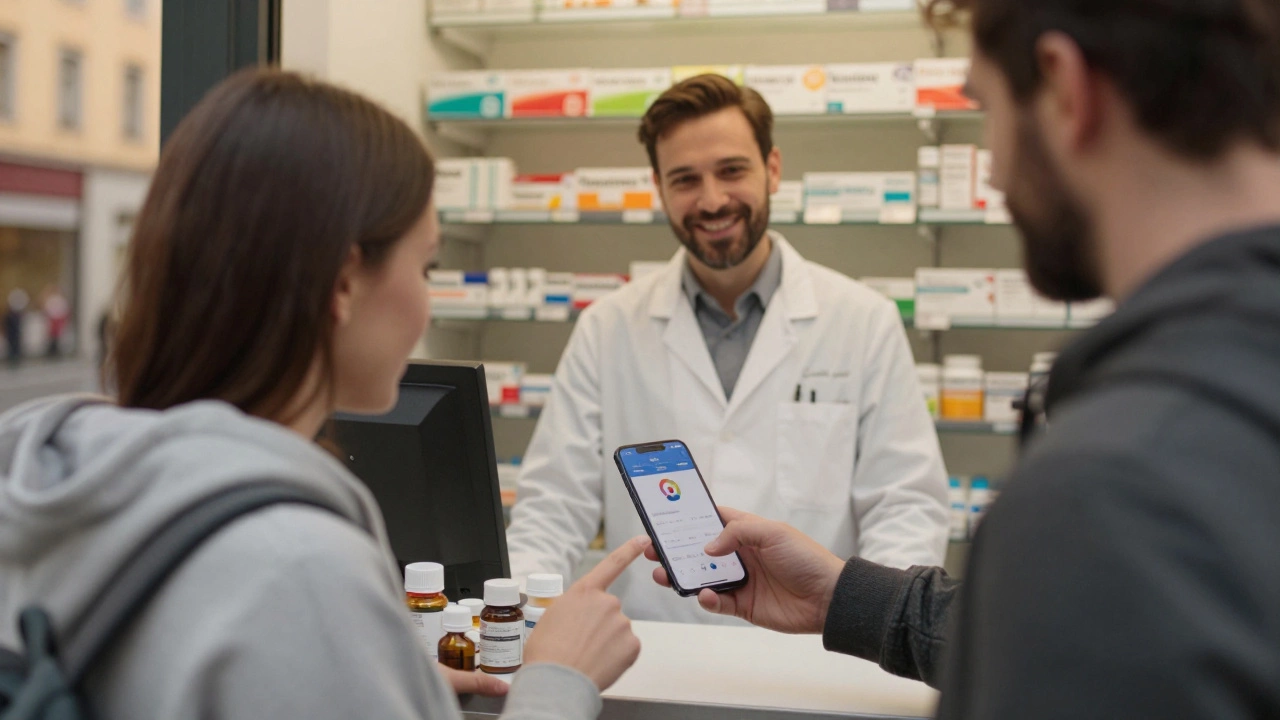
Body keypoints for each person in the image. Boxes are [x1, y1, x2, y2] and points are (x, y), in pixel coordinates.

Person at [645, 0, 1280, 716]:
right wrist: (848, 596)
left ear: (1064, 86)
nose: (996, 173)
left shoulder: (1110, 484)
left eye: (985, 109)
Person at [0, 69, 648, 720]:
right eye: (425, 267)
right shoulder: (300, 569)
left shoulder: (48, 488)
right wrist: (559, 680)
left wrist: (375, 684)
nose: (427, 305)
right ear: (342, 283)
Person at [506, 74, 949, 623]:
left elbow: (906, 507)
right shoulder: (607, 329)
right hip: (652, 657)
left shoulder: (863, 322)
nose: (712, 200)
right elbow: (551, 509)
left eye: (732, 171)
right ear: (659, 187)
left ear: (773, 169)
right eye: (685, 179)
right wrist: (513, 624)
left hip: (813, 660)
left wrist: (876, 631)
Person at [42, 286, 70, 357]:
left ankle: (56, 350)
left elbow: (64, 310)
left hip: (58, 320)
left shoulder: (60, 300)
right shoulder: (51, 299)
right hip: (53, 320)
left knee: (57, 337)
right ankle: (51, 350)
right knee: (52, 337)